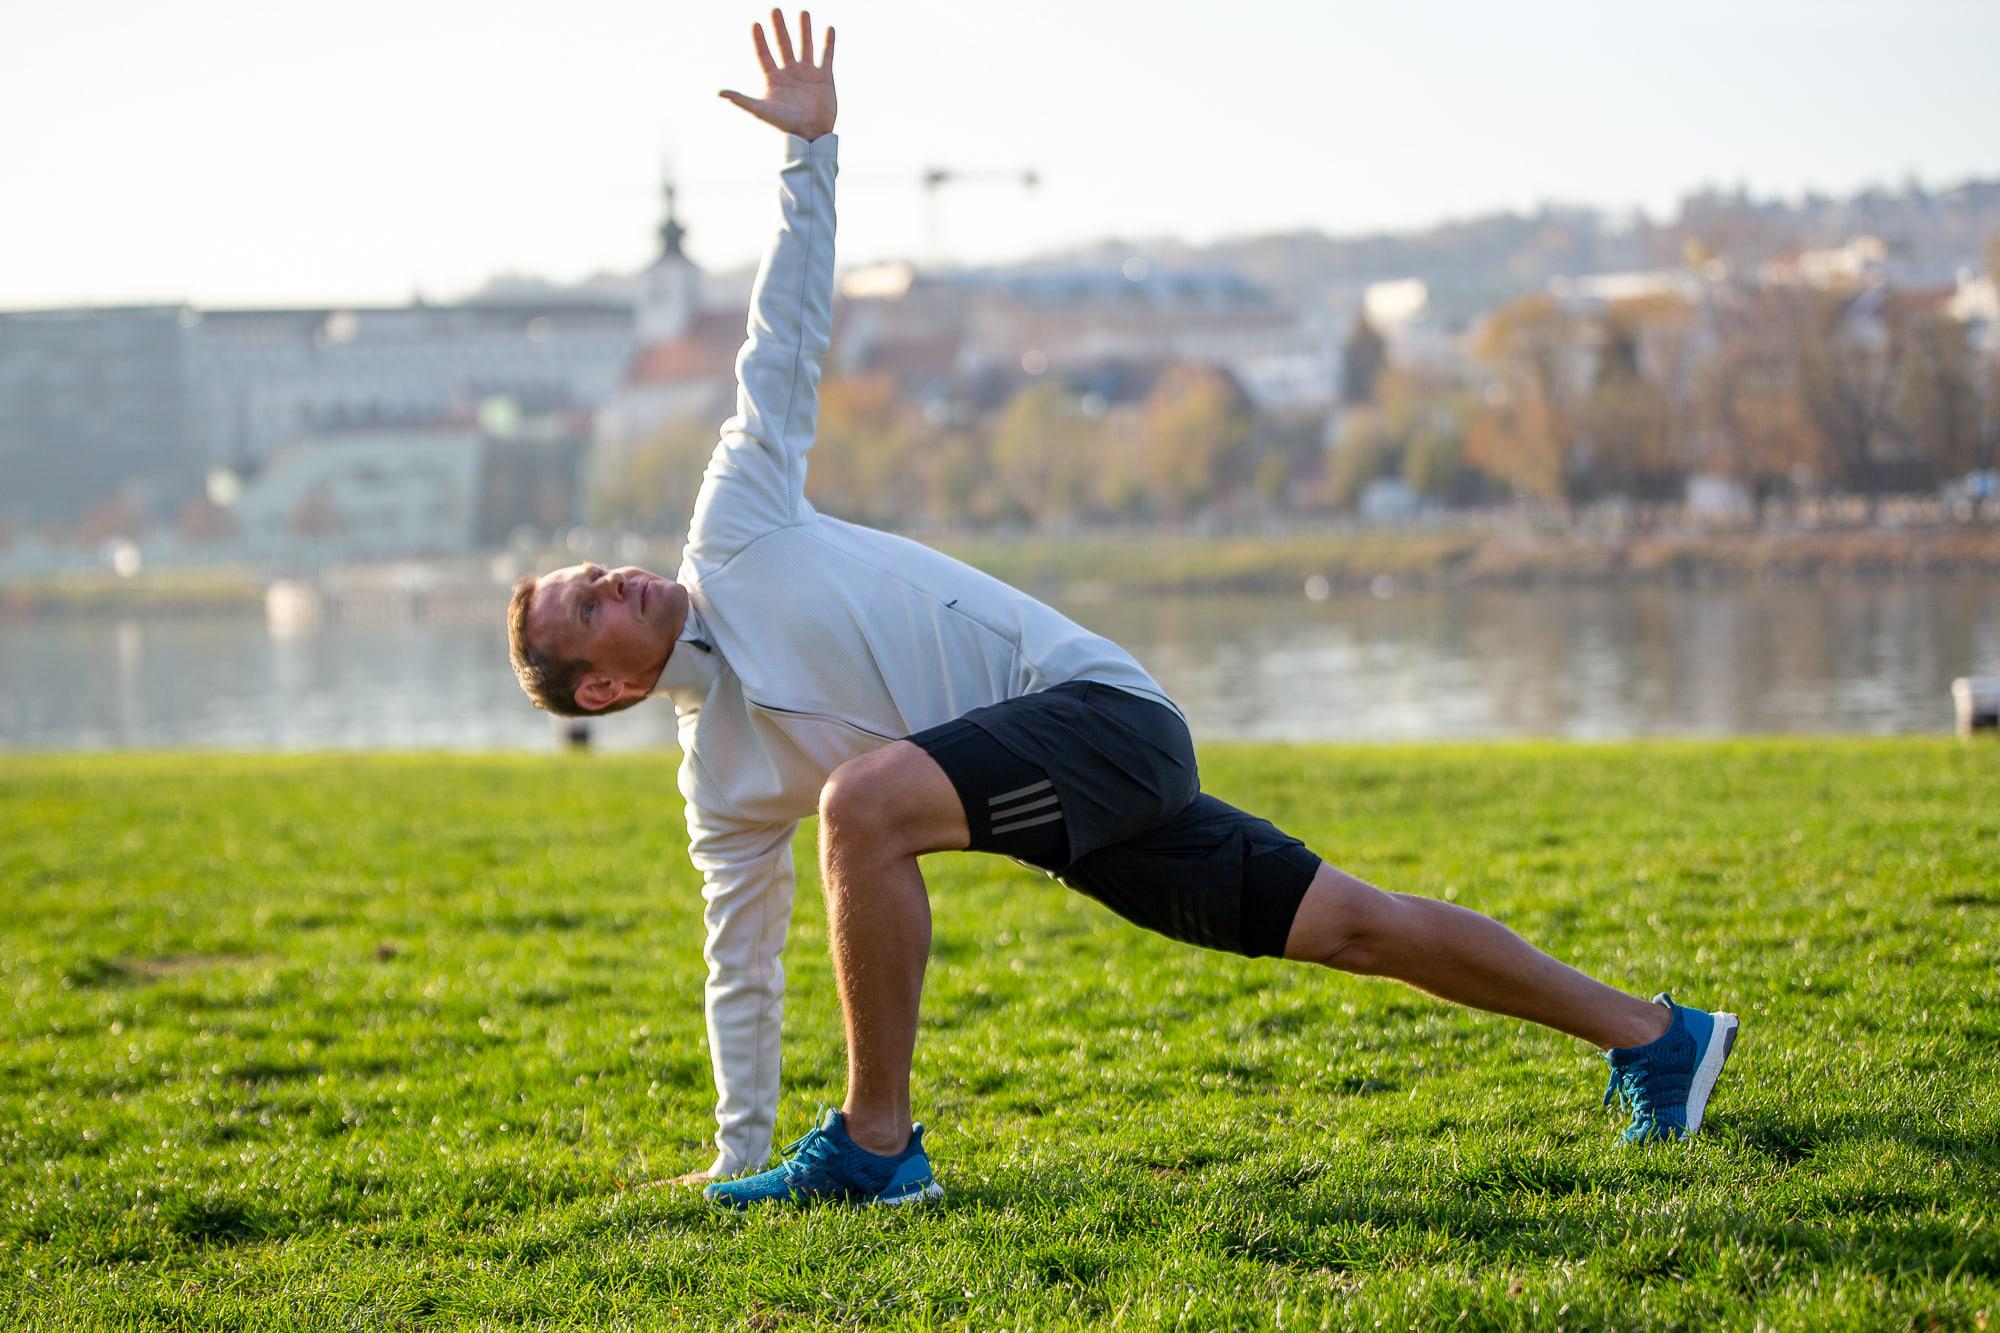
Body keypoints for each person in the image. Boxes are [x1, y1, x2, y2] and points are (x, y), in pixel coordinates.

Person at [506, 10, 1741, 1210]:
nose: (618, 577)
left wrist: (808, 151)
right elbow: (743, 966)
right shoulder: (718, 781)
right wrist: (733, 1158)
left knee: (863, 801)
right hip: (1070, 816)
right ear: (605, 687)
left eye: (600, 568)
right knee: (1353, 926)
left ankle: (876, 1148)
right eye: (594, 604)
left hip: (1096, 714)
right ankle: (1656, 1036)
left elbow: (782, 334)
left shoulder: (738, 521)